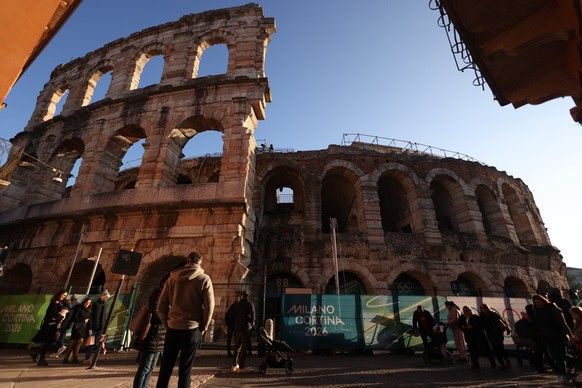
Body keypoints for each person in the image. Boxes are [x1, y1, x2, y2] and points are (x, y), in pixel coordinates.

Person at [156, 252, 215, 388]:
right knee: (185, 369)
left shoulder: (171, 279)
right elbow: (209, 306)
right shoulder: (204, 279)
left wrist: (167, 323)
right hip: (192, 329)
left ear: (187, 261)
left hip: (173, 328)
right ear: (200, 262)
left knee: (165, 368)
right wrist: (204, 326)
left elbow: (161, 306)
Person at [133, 275, 168, 388]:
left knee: (151, 368)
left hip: (160, 337)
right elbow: (156, 312)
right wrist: (169, 316)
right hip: (153, 335)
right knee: (145, 368)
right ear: (163, 282)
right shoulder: (158, 293)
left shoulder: (167, 294)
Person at [532, 293, 572, 385]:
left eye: (539, 301)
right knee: (556, 356)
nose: (538, 304)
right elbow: (538, 325)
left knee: (560, 356)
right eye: (536, 302)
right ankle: (567, 370)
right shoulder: (537, 311)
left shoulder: (553, 308)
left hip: (558, 336)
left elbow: (563, 323)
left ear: (543, 300)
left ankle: (564, 374)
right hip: (546, 338)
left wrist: (570, 335)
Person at [30, 289, 68, 366]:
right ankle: (40, 358)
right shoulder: (54, 302)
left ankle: (37, 354)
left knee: (49, 342)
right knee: (48, 341)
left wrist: (64, 312)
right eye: (63, 295)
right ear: (59, 294)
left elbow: (67, 308)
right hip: (50, 325)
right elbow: (52, 314)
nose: (64, 297)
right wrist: (60, 316)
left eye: (65, 296)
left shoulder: (60, 303)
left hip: (54, 325)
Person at [480, 303, 511, 369]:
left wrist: (507, 329)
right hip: (490, 334)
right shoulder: (482, 316)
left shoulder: (493, 314)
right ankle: (501, 363)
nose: (483, 309)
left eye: (484, 308)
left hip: (498, 333)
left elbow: (501, 321)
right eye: (481, 308)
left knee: (500, 348)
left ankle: (507, 361)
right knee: (496, 349)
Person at [84, 289, 111, 363]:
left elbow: (103, 317)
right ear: (103, 297)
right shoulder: (96, 304)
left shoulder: (104, 305)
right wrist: (90, 327)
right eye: (106, 297)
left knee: (96, 343)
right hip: (94, 327)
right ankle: (87, 358)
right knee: (91, 343)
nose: (107, 299)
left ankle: (90, 357)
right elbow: (92, 317)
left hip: (100, 327)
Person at [63, 297, 92, 364]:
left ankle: (73, 357)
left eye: (89, 303)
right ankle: (69, 357)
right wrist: (83, 320)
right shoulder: (79, 308)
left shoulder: (89, 310)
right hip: (77, 327)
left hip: (83, 328)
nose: (87, 304)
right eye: (87, 302)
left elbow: (90, 320)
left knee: (78, 342)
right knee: (76, 342)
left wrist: (90, 328)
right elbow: (74, 318)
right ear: (84, 302)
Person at [232, 290, 255, 372]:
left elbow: (234, 315)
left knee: (237, 346)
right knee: (244, 348)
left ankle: (234, 364)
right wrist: (252, 324)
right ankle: (241, 365)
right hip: (245, 328)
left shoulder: (237, 304)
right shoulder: (250, 304)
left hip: (237, 328)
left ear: (242, 296)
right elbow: (253, 316)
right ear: (247, 296)